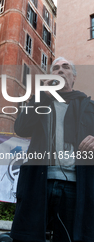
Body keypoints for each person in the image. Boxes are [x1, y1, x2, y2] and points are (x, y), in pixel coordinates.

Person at [11, 57, 94, 242]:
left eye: (66, 67)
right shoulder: (40, 101)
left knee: (70, 237)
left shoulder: (90, 107)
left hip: (76, 185)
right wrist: (42, 96)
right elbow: (21, 128)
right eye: (55, 68)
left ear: (73, 77)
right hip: (40, 182)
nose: (60, 70)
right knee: (28, 237)